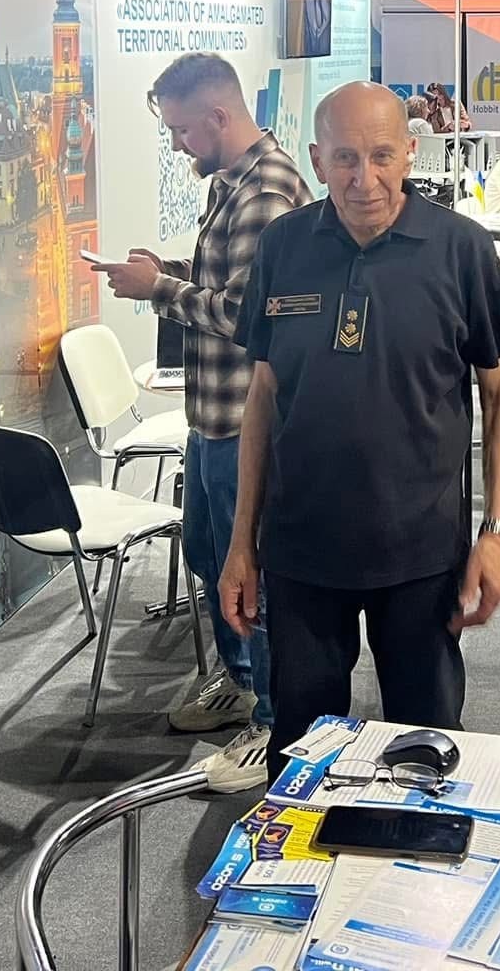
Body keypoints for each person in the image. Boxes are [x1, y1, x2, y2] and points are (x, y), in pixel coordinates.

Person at [224, 82, 500, 778]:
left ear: (411, 152)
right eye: (346, 159)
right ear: (316, 159)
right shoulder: (283, 246)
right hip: (302, 551)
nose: (366, 179)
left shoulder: (462, 249)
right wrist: (242, 542)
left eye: (383, 156)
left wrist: (496, 532)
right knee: (301, 757)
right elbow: (263, 398)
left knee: (427, 753)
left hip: (421, 554)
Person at [98, 52, 312, 792]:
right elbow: (228, 284)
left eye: (183, 130)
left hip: (246, 425)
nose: (177, 144)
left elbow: (251, 318)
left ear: (219, 117)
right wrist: (170, 275)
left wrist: (158, 289)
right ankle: (242, 683)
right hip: (212, 417)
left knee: (253, 577)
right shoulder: (230, 180)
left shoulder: (268, 191)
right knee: (213, 560)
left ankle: (273, 723)